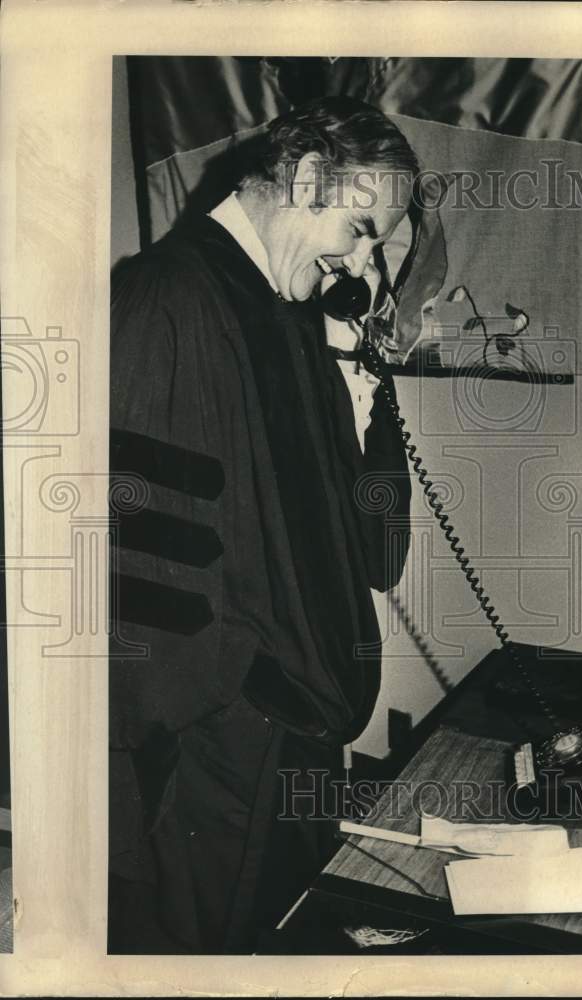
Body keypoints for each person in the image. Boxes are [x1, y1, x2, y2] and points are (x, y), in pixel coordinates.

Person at [108, 96, 417, 954]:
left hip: (291, 727)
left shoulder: (284, 314)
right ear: (306, 178)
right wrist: (238, 699)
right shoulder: (166, 300)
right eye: (359, 229)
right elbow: (141, 557)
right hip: (219, 740)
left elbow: (369, 550)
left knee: (280, 943)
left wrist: (364, 393)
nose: (361, 261)